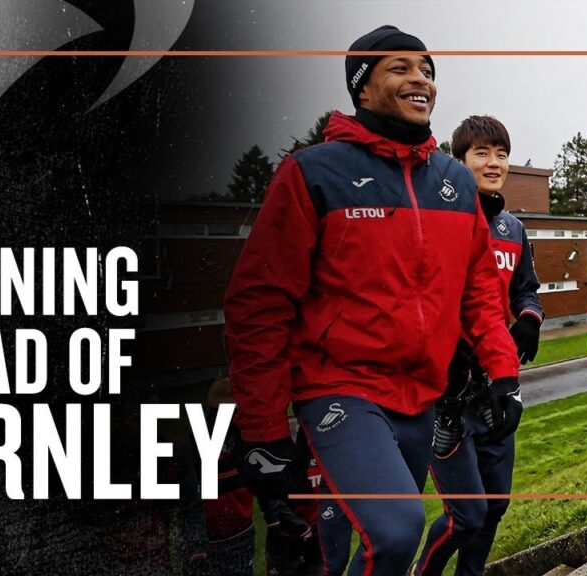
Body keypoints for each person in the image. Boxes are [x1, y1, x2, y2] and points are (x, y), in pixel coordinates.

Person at [223, 25, 520, 575]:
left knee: (382, 544)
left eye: (427, 70)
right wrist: (262, 431)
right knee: (397, 527)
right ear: (362, 88)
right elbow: (258, 305)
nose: (420, 80)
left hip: (422, 396)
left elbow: (478, 290)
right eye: (400, 68)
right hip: (341, 388)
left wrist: (503, 373)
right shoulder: (313, 172)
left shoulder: (454, 181)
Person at [414, 116, 543, 576]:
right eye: (482, 154)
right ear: (459, 161)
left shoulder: (512, 229)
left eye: (502, 154)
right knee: (464, 515)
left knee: (496, 506)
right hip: (446, 398)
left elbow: (527, 289)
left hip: (499, 388)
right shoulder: (435, 219)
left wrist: (529, 318)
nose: (494, 164)